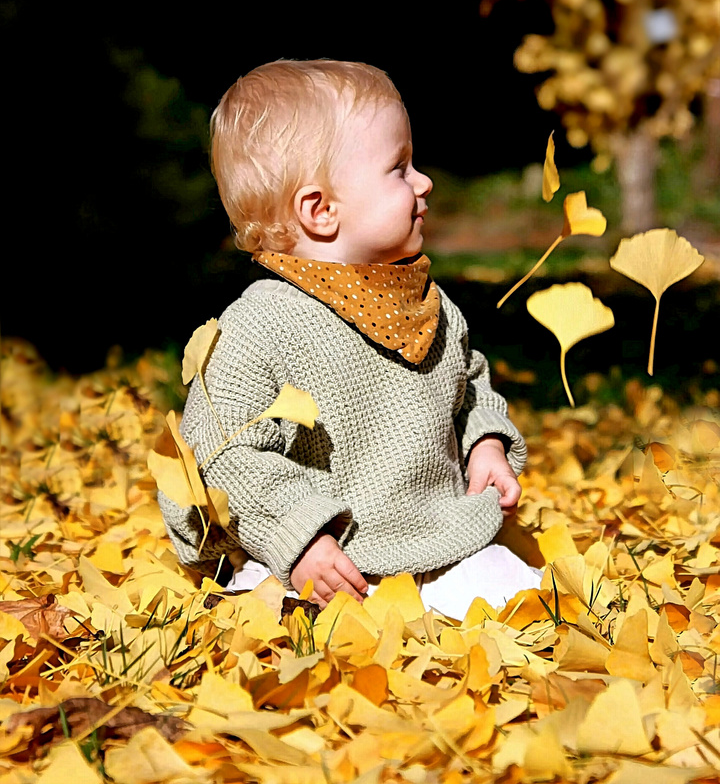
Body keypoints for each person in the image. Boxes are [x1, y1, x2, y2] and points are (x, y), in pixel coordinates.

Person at [158, 58, 542, 619]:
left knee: (521, 595)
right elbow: (221, 455)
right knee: (271, 605)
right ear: (320, 210)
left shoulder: (426, 304)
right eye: (400, 167)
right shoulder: (263, 323)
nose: (424, 181)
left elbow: (470, 384)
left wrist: (485, 443)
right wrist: (301, 538)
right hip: (323, 561)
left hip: (436, 539)